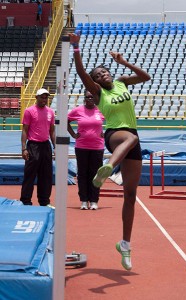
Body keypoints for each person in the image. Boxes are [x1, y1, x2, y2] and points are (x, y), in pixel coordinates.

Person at [69, 32, 151, 271]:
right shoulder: (98, 93)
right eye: (97, 75)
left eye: (104, 72)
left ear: (110, 73)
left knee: (131, 195)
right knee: (132, 137)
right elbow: (82, 74)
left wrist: (123, 62)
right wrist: (76, 48)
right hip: (115, 135)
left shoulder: (123, 82)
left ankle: (125, 244)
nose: (101, 75)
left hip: (131, 139)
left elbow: (145, 76)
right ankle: (107, 168)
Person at [67, 90, 105, 210]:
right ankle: (83, 200)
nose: (90, 99)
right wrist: (73, 134)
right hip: (81, 146)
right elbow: (66, 121)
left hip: (97, 147)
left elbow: (114, 121)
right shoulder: (78, 110)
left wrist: (107, 133)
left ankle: (94, 200)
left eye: (92, 96)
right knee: (82, 174)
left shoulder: (101, 110)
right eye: (88, 97)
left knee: (95, 175)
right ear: (84, 98)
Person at [20, 88, 55, 206]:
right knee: (30, 174)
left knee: (46, 175)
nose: (44, 99)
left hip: (46, 145)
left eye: (46, 97)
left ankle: (44, 201)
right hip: (33, 146)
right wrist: (24, 148)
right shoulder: (29, 111)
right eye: (42, 97)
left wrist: (55, 147)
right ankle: (26, 201)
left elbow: (52, 131)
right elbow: (25, 130)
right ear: (36, 97)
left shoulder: (50, 112)